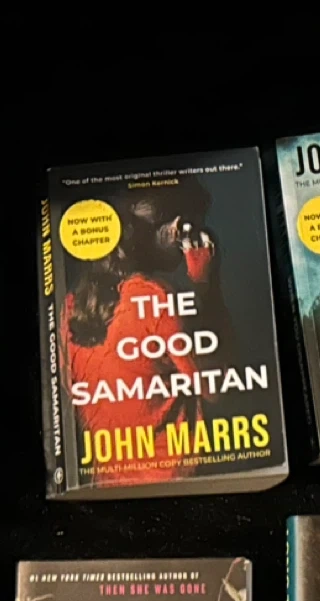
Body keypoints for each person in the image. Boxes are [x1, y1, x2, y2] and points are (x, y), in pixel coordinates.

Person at [64, 183, 223, 483]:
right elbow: (217, 387)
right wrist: (207, 287)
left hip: (109, 483)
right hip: (173, 480)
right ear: (176, 228)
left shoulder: (71, 305)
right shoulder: (156, 299)